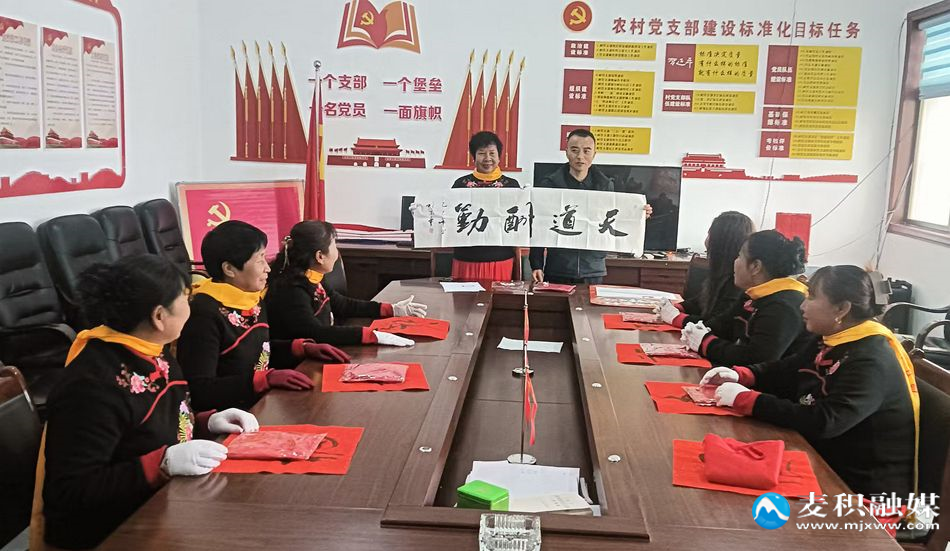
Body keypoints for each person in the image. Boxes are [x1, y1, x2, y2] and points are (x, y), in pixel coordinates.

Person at [41, 255, 259, 549]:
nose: (191, 306)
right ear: (159, 316)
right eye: (185, 299)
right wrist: (162, 463)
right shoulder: (92, 386)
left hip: (168, 503)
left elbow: (152, 426)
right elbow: (71, 491)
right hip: (116, 531)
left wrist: (206, 422)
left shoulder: (153, 350)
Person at [700, 266, 917, 498]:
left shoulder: (871, 360)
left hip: (857, 489)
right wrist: (744, 375)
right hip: (820, 456)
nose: (802, 306)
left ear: (842, 309)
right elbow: (790, 368)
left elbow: (825, 421)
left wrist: (749, 400)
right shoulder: (834, 337)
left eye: (811, 297)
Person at [177, 221, 343, 412]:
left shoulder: (250, 298)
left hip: (259, 405)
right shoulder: (203, 315)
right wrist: (263, 380)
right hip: (229, 418)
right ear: (229, 269)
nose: (268, 268)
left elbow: (257, 351)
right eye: (259, 260)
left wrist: (299, 348)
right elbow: (199, 391)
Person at [266, 220, 427, 346]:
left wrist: (390, 309)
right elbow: (315, 333)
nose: (337, 252)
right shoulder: (291, 290)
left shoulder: (313, 276)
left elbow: (341, 304)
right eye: (334, 246)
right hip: (300, 365)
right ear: (320, 256)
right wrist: (369, 335)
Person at [529, 128, 652, 285]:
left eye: (586, 151)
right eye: (575, 150)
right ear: (566, 152)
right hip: (558, 266)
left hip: (593, 267)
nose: (580, 156)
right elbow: (539, 224)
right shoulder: (550, 184)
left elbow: (615, 219)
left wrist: (638, 215)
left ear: (594, 153)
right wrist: (536, 264)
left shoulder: (605, 185)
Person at [671, 230, 810, 366]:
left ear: (755, 266)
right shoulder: (754, 294)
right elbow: (721, 325)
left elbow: (756, 358)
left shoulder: (783, 307)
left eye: (739, 256)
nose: (735, 262)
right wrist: (694, 330)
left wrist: (706, 343)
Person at [449, 131, 522, 281]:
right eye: (482, 153)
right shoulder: (460, 185)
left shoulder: (512, 186)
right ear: (473, 157)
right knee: (463, 296)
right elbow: (450, 218)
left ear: (499, 156)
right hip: (466, 257)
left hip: (500, 258)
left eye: (492, 153)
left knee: (498, 296)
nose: (487, 158)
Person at [662, 211, 754, 322]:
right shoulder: (721, 272)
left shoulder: (738, 282)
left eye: (710, 235)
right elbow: (702, 300)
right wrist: (678, 307)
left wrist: (676, 318)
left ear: (720, 242)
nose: (706, 242)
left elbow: (716, 323)